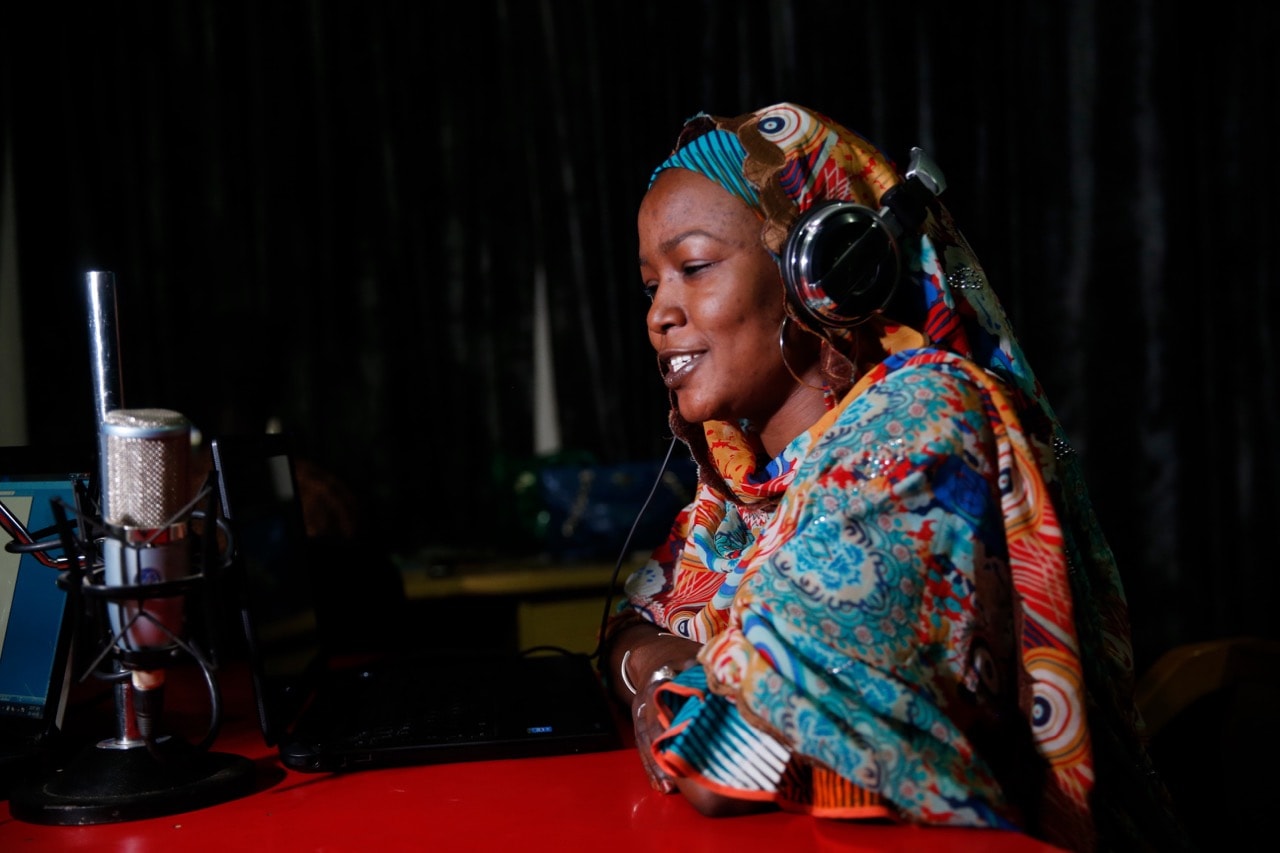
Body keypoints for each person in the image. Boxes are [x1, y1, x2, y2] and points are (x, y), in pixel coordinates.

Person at [601, 103, 1184, 852]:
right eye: (650, 284)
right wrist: (656, 665)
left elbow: (732, 750)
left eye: (694, 266)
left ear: (823, 271)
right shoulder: (737, 493)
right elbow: (629, 627)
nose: (659, 314)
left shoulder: (922, 425)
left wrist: (672, 681)